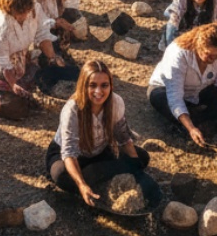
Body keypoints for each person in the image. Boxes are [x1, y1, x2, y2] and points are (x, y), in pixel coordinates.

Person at [45, 60, 149, 206]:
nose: (98, 92)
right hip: (70, 156)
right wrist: (81, 185)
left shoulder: (116, 102)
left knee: (142, 158)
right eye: (92, 85)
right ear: (83, 86)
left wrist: (136, 166)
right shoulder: (72, 109)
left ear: (110, 85)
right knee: (61, 174)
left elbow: (123, 137)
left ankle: (94, 175)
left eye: (104, 85)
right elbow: (69, 153)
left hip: (100, 150)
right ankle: (90, 180)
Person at [147, 23, 217, 147]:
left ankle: (196, 119)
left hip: (197, 90)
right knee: (161, 100)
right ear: (199, 46)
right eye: (209, 55)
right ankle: (192, 123)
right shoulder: (178, 54)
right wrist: (191, 128)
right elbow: (175, 97)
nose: (214, 59)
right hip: (165, 89)